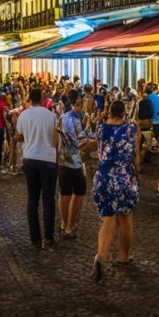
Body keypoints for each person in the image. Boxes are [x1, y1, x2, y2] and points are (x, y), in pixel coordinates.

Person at [91, 100, 140, 282]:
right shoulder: (131, 129)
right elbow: (134, 155)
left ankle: (101, 256)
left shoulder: (101, 129)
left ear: (110, 111)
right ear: (124, 113)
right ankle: (123, 256)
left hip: (103, 176)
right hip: (123, 176)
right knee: (125, 217)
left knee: (108, 219)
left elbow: (99, 148)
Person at [17, 88, 59, 249]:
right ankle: (48, 237)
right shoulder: (51, 116)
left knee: (32, 199)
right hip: (47, 159)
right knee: (48, 200)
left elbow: (20, 135)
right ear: (42, 98)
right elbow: (55, 141)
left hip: (30, 159)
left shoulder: (23, 115)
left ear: (29, 98)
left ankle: (35, 238)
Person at [59, 89, 92, 239]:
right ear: (77, 102)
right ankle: (69, 225)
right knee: (77, 192)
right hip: (73, 160)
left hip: (64, 159)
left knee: (65, 192)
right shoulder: (73, 118)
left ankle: (64, 223)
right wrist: (92, 142)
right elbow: (79, 140)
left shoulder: (64, 117)